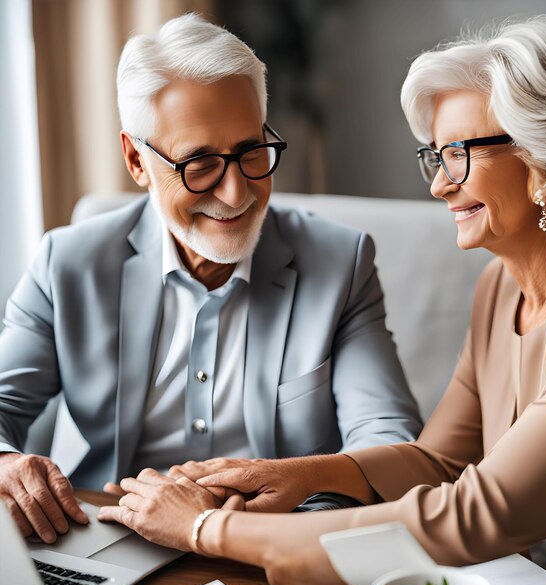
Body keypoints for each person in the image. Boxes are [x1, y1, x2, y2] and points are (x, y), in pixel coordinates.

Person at [98, 14, 546, 585]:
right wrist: (293, 474)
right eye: (436, 156)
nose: (440, 186)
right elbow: (441, 461)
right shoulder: (500, 287)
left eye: (459, 154)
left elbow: (477, 512)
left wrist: (205, 528)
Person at [0, 14, 421, 544]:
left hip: (269, 549)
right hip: (106, 538)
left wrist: (286, 487)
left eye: (251, 153)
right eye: (199, 164)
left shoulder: (341, 262)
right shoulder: (67, 263)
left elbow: (393, 448)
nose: (235, 193)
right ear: (136, 159)